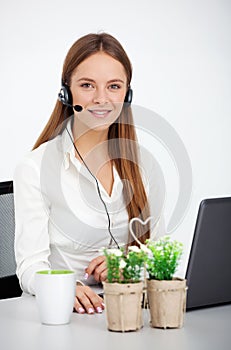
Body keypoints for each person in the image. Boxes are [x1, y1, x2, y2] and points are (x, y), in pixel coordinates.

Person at [14, 33, 165, 314]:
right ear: (66, 92)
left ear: (127, 95)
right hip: (64, 314)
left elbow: (158, 252)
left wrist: (127, 264)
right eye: (87, 85)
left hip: (127, 310)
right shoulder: (34, 168)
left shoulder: (144, 165)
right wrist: (63, 286)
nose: (101, 99)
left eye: (114, 86)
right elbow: (29, 267)